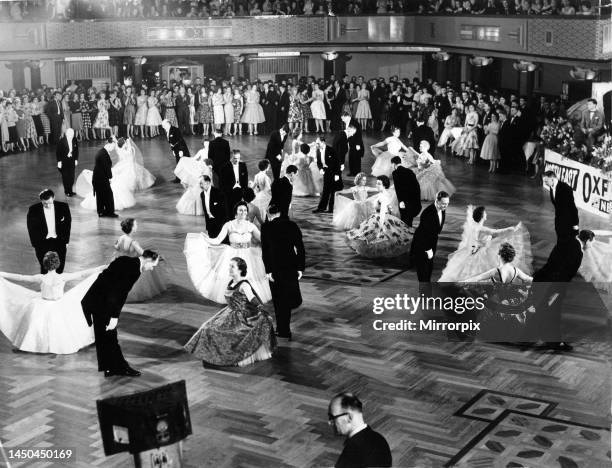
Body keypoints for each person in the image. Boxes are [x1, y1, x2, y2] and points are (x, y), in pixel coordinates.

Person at [0, 251, 103, 354]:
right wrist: (99, 268)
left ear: (44, 264)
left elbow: (21, 277)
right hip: (59, 305)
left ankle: (35, 346)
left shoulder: (41, 278)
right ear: (57, 263)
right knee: (64, 326)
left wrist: (2, 274)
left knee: (39, 327)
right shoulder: (62, 277)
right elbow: (81, 274)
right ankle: (59, 346)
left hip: (43, 305)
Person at [184, 257, 276, 367]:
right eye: (229, 266)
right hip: (229, 312)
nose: (230, 269)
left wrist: (261, 308)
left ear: (240, 270)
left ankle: (225, 356)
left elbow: (252, 298)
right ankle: (213, 354)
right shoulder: (232, 282)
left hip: (241, 316)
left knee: (216, 330)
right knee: (206, 327)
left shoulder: (244, 285)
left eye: (233, 267)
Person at [81, 250, 160, 377]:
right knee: (111, 337)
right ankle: (121, 368)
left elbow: (106, 277)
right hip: (104, 304)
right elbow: (119, 294)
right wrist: (114, 317)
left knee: (102, 336)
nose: (151, 269)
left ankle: (108, 368)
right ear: (147, 259)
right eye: (152, 265)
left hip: (94, 299)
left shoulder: (125, 260)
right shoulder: (134, 270)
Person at [184, 201, 272, 304]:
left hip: (248, 255)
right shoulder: (229, 225)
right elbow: (217, 240)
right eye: (240, 210)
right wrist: (205, 240)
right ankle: (233, 298)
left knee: (249, 276)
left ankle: (249, 298)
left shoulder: (251, 226)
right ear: (236, 212)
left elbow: (263, 239)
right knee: (230, 276)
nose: (243, 212)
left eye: (245, 210)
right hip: (232, 254)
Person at [527, 231, 586, 352]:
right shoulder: (578, 252)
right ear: (588, 240)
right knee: (552, 312)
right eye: (592, 242)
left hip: (541, 278)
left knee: (541, 309)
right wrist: (555, 292)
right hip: (553, 284)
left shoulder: (564, 243)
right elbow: (565, 273)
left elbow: (553, 263)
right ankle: (554, 343)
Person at [440, 206, 533, 281]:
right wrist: (511, 229)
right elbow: (496, 232)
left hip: (476, 251)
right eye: (485, 213)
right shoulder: (480, 228)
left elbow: (475, 240)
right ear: (482, 215)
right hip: (482, 252)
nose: (486, 214)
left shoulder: (475, 226)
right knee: (483, 270)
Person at [261, 204, 305, 340]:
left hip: (275, 268)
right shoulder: (292, 225)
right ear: (280, 213)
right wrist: (300, 268)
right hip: (291, 266)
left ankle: (283, 330)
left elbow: (265, 252)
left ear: (268, 214)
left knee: (279, 301)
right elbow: (300, 248)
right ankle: (283, 329)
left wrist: (268, 271)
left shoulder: (266, 227)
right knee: (287, 298)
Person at [346, 175, 410, 258]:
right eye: (377, 183)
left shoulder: (383, 196)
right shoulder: (383, 194)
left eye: (379, 184)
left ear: (384, 185)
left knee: (378, 238)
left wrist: (380, 226)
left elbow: (383, 212)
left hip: (380, 218)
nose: (376, 185)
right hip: (377, 216)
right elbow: (389, 207)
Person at [328, 393, 392, 468]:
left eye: (332, 417)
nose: (329, 422)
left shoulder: (353, 450)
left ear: (349, 417)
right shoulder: (379, 438)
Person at [113, 218, 168, 302]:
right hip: (132, 264)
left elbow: (116, 247)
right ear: (132, 228)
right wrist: (156, 256)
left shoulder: (120, 238)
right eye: (135, 225)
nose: (137, 226)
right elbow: (143, 253)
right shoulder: (133, 242)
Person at [75, 138, 135, 213]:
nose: (113, 148)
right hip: (103, 177)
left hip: (107, 174)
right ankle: (104, 210)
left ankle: (106, 210)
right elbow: (104, 167)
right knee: (106, 192)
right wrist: (109, 177)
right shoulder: (103, 154)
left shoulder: (107, 152)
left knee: (107, 192)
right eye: (112, 146)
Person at [27, 189, 72, 274]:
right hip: (42, 242)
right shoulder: (33, 209)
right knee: (44, 268)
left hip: (59, 241)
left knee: (60, 266)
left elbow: (67, 225)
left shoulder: (63, 207)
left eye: (49, 203)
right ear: (41, 201)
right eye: (44, 203)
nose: (47, 206)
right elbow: (31, 228)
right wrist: (36, 244)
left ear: (53, 198)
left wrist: (66, 241)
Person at [410, 191, 450, 283]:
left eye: (447, 203)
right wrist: (428, 250)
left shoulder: (442, 208)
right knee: (423, 271)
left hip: (432, 242)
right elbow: (423, 234)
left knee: (428, 270)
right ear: (437, 201)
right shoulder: (428, 213)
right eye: (444, 203)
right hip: (422, 245)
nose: (445, 206)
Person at [463, 242, 533, 283]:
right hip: (508, 298)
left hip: (496, 301)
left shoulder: (495, 271)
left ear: (500, 255)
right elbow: (528, 278)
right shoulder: (516, 270)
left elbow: (477, 278)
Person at [542, 170, 579, 241]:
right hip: (559, 223)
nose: (545, 183)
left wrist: (575, 225)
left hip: (568, 223)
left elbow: (572, 207)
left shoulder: (566, 188)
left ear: (552, 179)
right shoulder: (551, 187)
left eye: (546, 181)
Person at [313, 137, 342, 213]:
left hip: (334, 172)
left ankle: (331, 209)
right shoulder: (318, 150)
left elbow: (337, 163)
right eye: (316, 143)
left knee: (333, 191)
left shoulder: (331, 150)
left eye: (318, 143)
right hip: (326, 172)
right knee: (325, 190)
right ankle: (321, 208)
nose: (317, 145)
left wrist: (337, 175)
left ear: (323, 142)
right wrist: (321, 169)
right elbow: (319, 162)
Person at [391, 156, 421, 228]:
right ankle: (409, 230)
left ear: (393, 164)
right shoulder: (409, 171)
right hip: (414, 197)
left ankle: (405, 233)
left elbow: (398, 188)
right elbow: (416, 185)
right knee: (409, 217)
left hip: (404, 198)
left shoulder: (395, 172)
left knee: (404, 217)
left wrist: (401, 201)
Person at [219, 149, 249, 215]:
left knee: (240, 212)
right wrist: (228, 190)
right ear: (231, 157)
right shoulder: (224, 167)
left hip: (240, 192)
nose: (237, 160)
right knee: (230, 212)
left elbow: (245, 180)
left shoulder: (243, 165)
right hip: (229, 193)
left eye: (239, 158)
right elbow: (222, 183)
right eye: (235, 158)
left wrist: (245, 193)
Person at [56, 128, 78, 197]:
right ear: (66, 134)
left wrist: (76, 159)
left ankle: (70, 190)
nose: (71, 135)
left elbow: (76, 151)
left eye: (72, 134)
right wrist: (59, 162)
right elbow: (58, 152)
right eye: (70, 133)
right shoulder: (61, 141)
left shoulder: (74, 140)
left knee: (71, 177)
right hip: (64, 162)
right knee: (65, 178)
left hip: (71, 161)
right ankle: (67, 191)